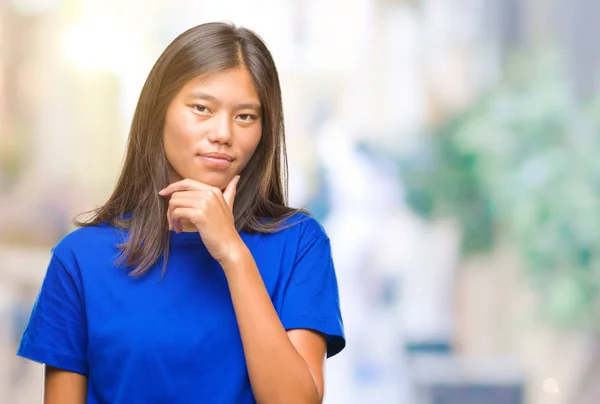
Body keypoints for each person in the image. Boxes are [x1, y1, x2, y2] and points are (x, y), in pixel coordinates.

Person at [17, 22, 345, 404]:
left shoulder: (300, 244)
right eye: (202, 108)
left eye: (245, 116)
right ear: (159, 112)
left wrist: (233, 254)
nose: (223, 132)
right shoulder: (80, 259)